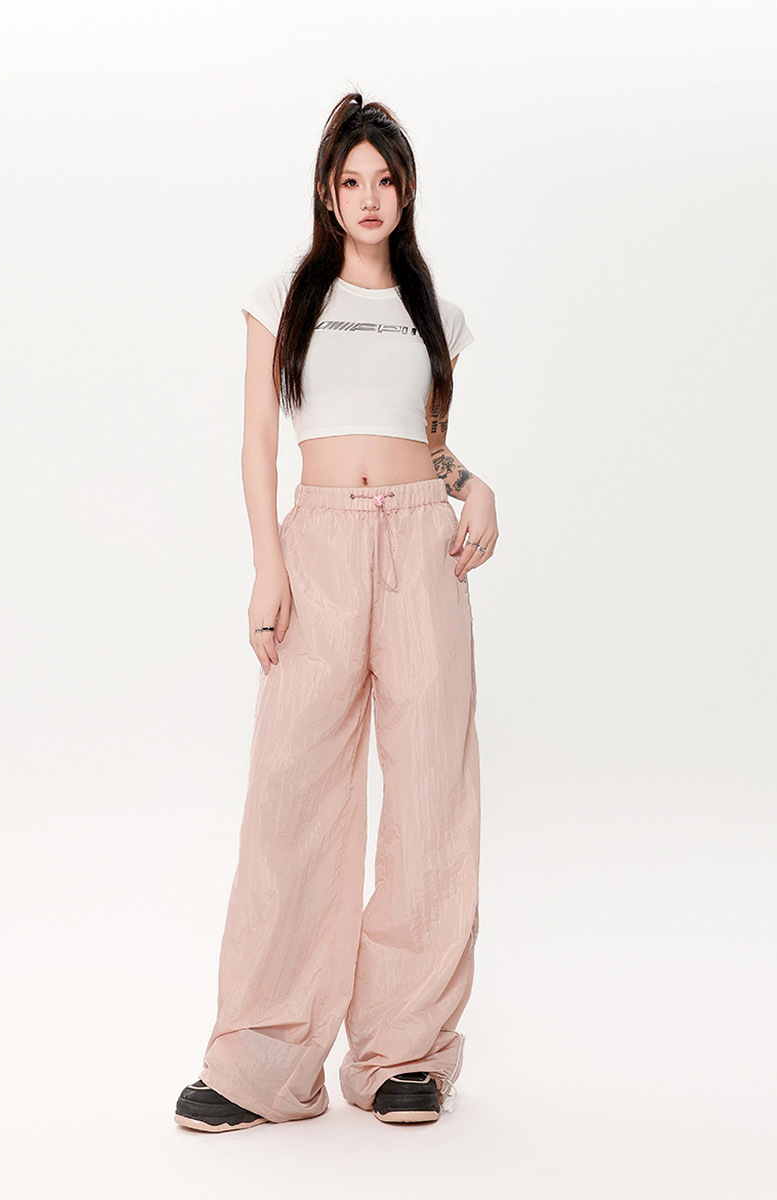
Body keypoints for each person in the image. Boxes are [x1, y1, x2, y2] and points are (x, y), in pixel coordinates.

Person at [175, 92, 498, 1133]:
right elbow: (256, 443)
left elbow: (427, 440)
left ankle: (406, 1052)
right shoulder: (283, 299)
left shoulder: (437, 313)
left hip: (422, 544)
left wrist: (473, 486)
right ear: (326, 190)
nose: (369, 198)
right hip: (317, 544)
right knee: (291, 790)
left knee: (431, 792)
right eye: (352, 180)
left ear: (407, 193)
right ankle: (262, 1059)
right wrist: (267, 568)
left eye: (385, 181)